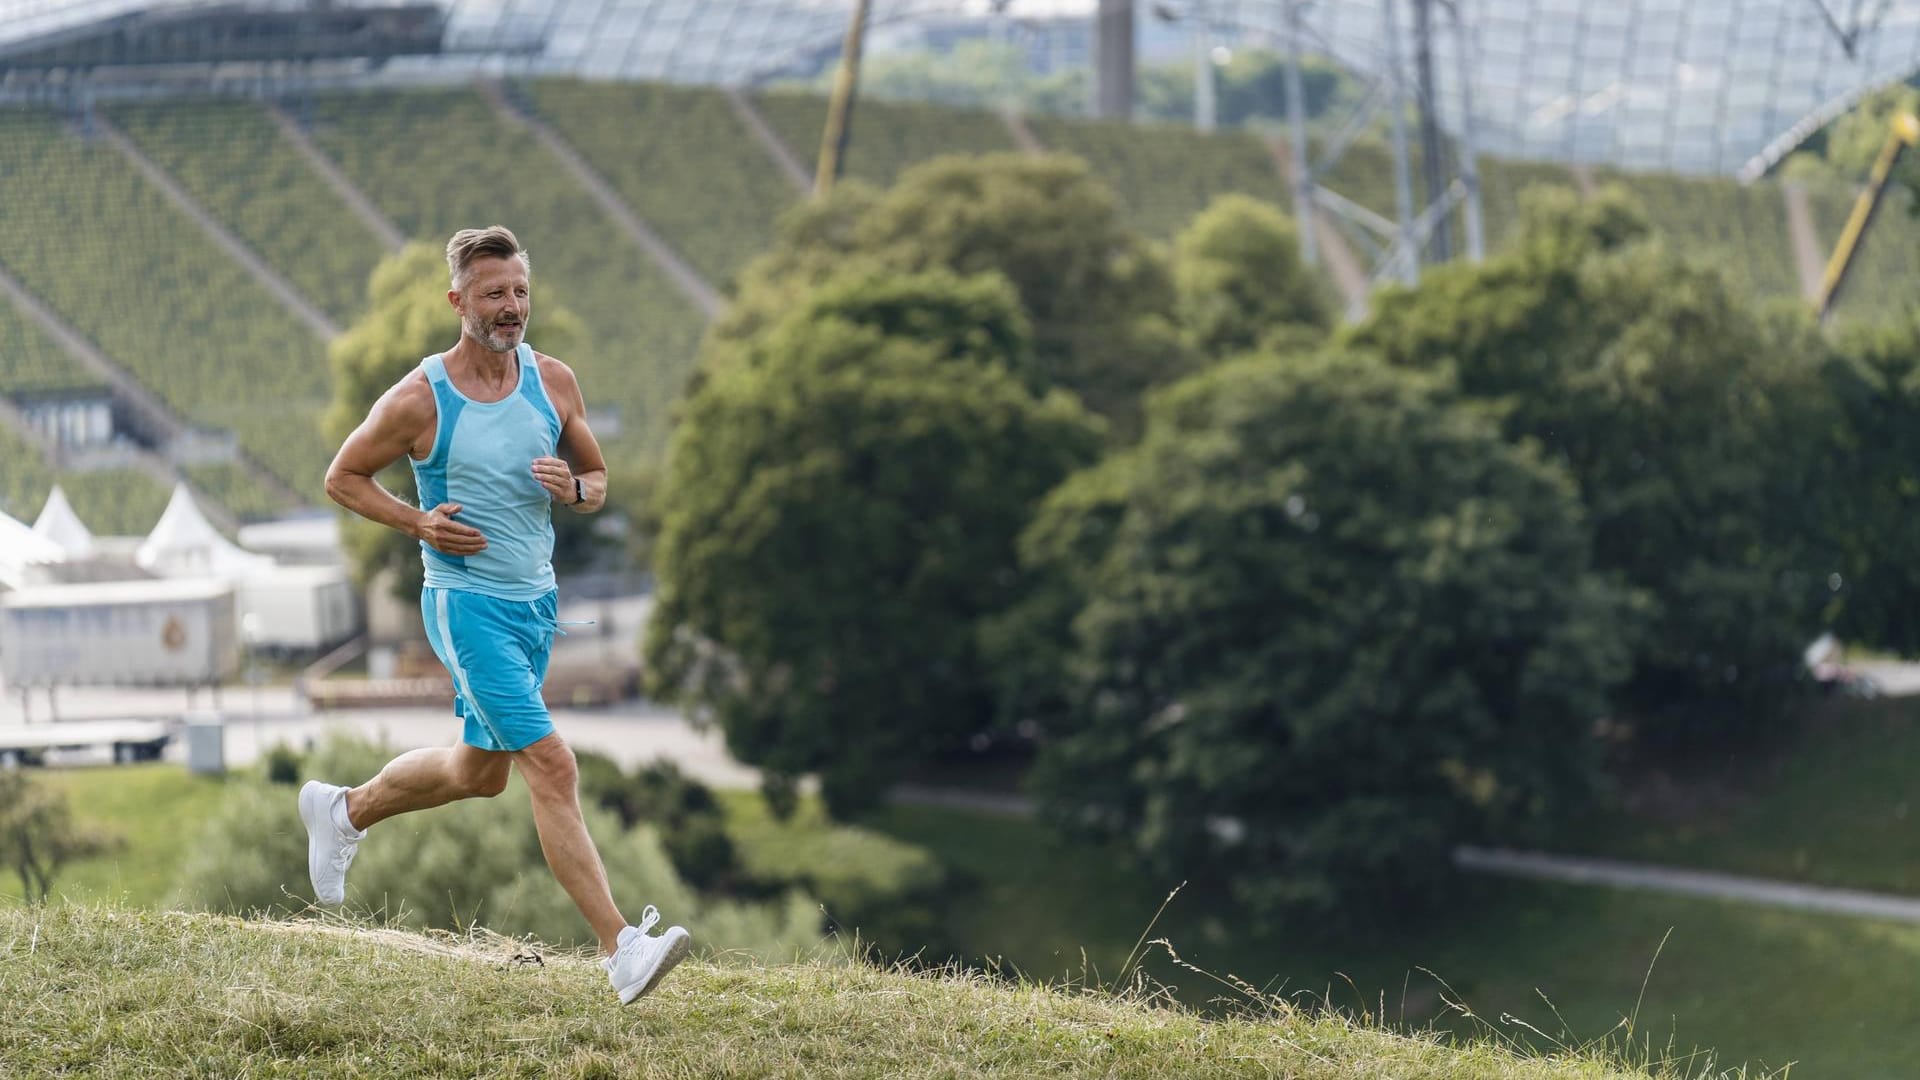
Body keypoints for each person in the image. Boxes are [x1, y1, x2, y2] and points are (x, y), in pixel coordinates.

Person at [302, 225, 689, 1004]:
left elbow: (599, 480)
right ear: (458, 302)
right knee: (552, 763)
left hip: (534, 607)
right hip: (464, 605)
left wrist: (573, 490)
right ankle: (622, 949)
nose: (511, 307)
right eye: (493, 295)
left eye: (519, 292)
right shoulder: (420, 398)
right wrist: (417, 522)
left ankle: (343, 810)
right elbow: (342, 477)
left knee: (478, 775)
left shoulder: (554, 382)